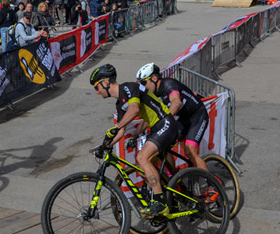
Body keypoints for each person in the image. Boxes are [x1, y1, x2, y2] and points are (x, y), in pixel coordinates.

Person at [90, 64, 178, 216]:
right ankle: (172, 200)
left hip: (165, 122)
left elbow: (134, 109)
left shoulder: (128, 88)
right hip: (156, 128)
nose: (97, 92)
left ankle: (160, 202)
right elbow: (122, 130)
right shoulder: (120, 104)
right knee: (142, 168)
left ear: (105, 82)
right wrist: (105, 145)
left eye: (96, 87)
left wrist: (117, 127)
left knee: (142, 157)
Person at [136, 63, 211, 175]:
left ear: (154, 78)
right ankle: (174, 179)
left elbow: (176, 102)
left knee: (189, 150)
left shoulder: (168, 84)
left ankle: (212, 185)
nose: (143, 87)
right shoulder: (154, 94)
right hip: (182, 119)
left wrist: (163, 120)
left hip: (197, 116)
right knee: (164, 143)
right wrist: (135, 134)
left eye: (143, 82)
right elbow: (150, 118)